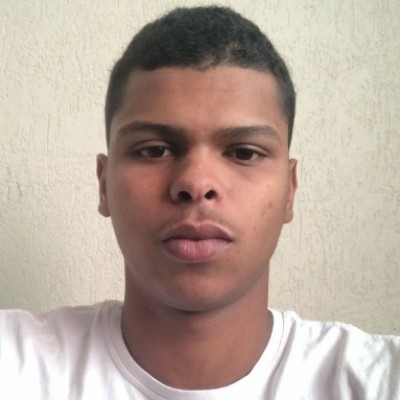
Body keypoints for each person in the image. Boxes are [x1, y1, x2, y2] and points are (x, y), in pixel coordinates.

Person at [0, 6, 399, 400]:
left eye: (244, 153)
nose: (196, 183)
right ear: (103, 185)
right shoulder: (16, 364)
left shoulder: (377, 380)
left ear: (290, 191)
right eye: (154, 150)